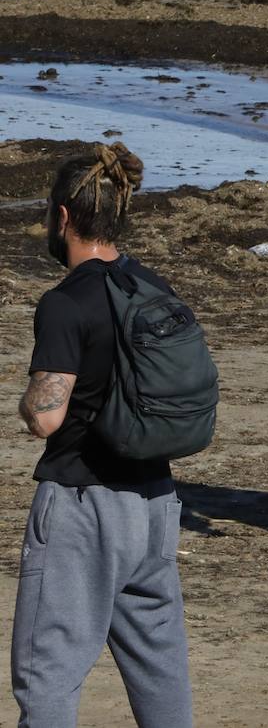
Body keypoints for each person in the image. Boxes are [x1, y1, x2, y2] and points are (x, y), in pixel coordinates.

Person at [13, 144, 194, 727]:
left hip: (82, 508)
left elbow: (46, 416)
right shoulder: (151, 285)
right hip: (156, 505)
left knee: (49, 674)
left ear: (62, 216)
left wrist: (27, 395)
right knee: (160, 672)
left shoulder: (66, 303)